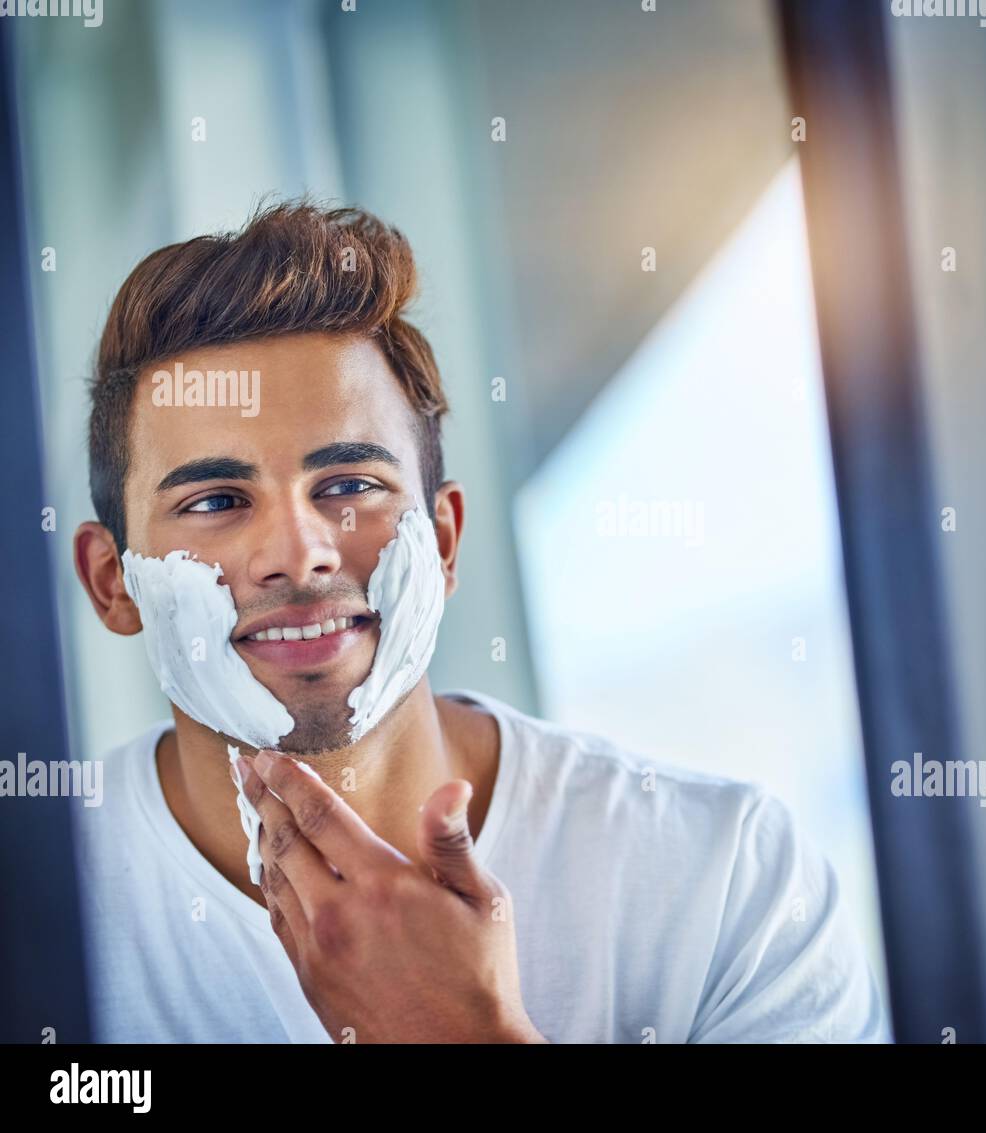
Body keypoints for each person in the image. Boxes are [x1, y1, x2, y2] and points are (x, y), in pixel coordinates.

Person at [70, 201, 888, 1044]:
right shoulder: (35, 911)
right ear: (112, 582)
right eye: (215, 500)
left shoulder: (726, 883)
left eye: (350, 485)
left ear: (446, 539)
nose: (301, 552)